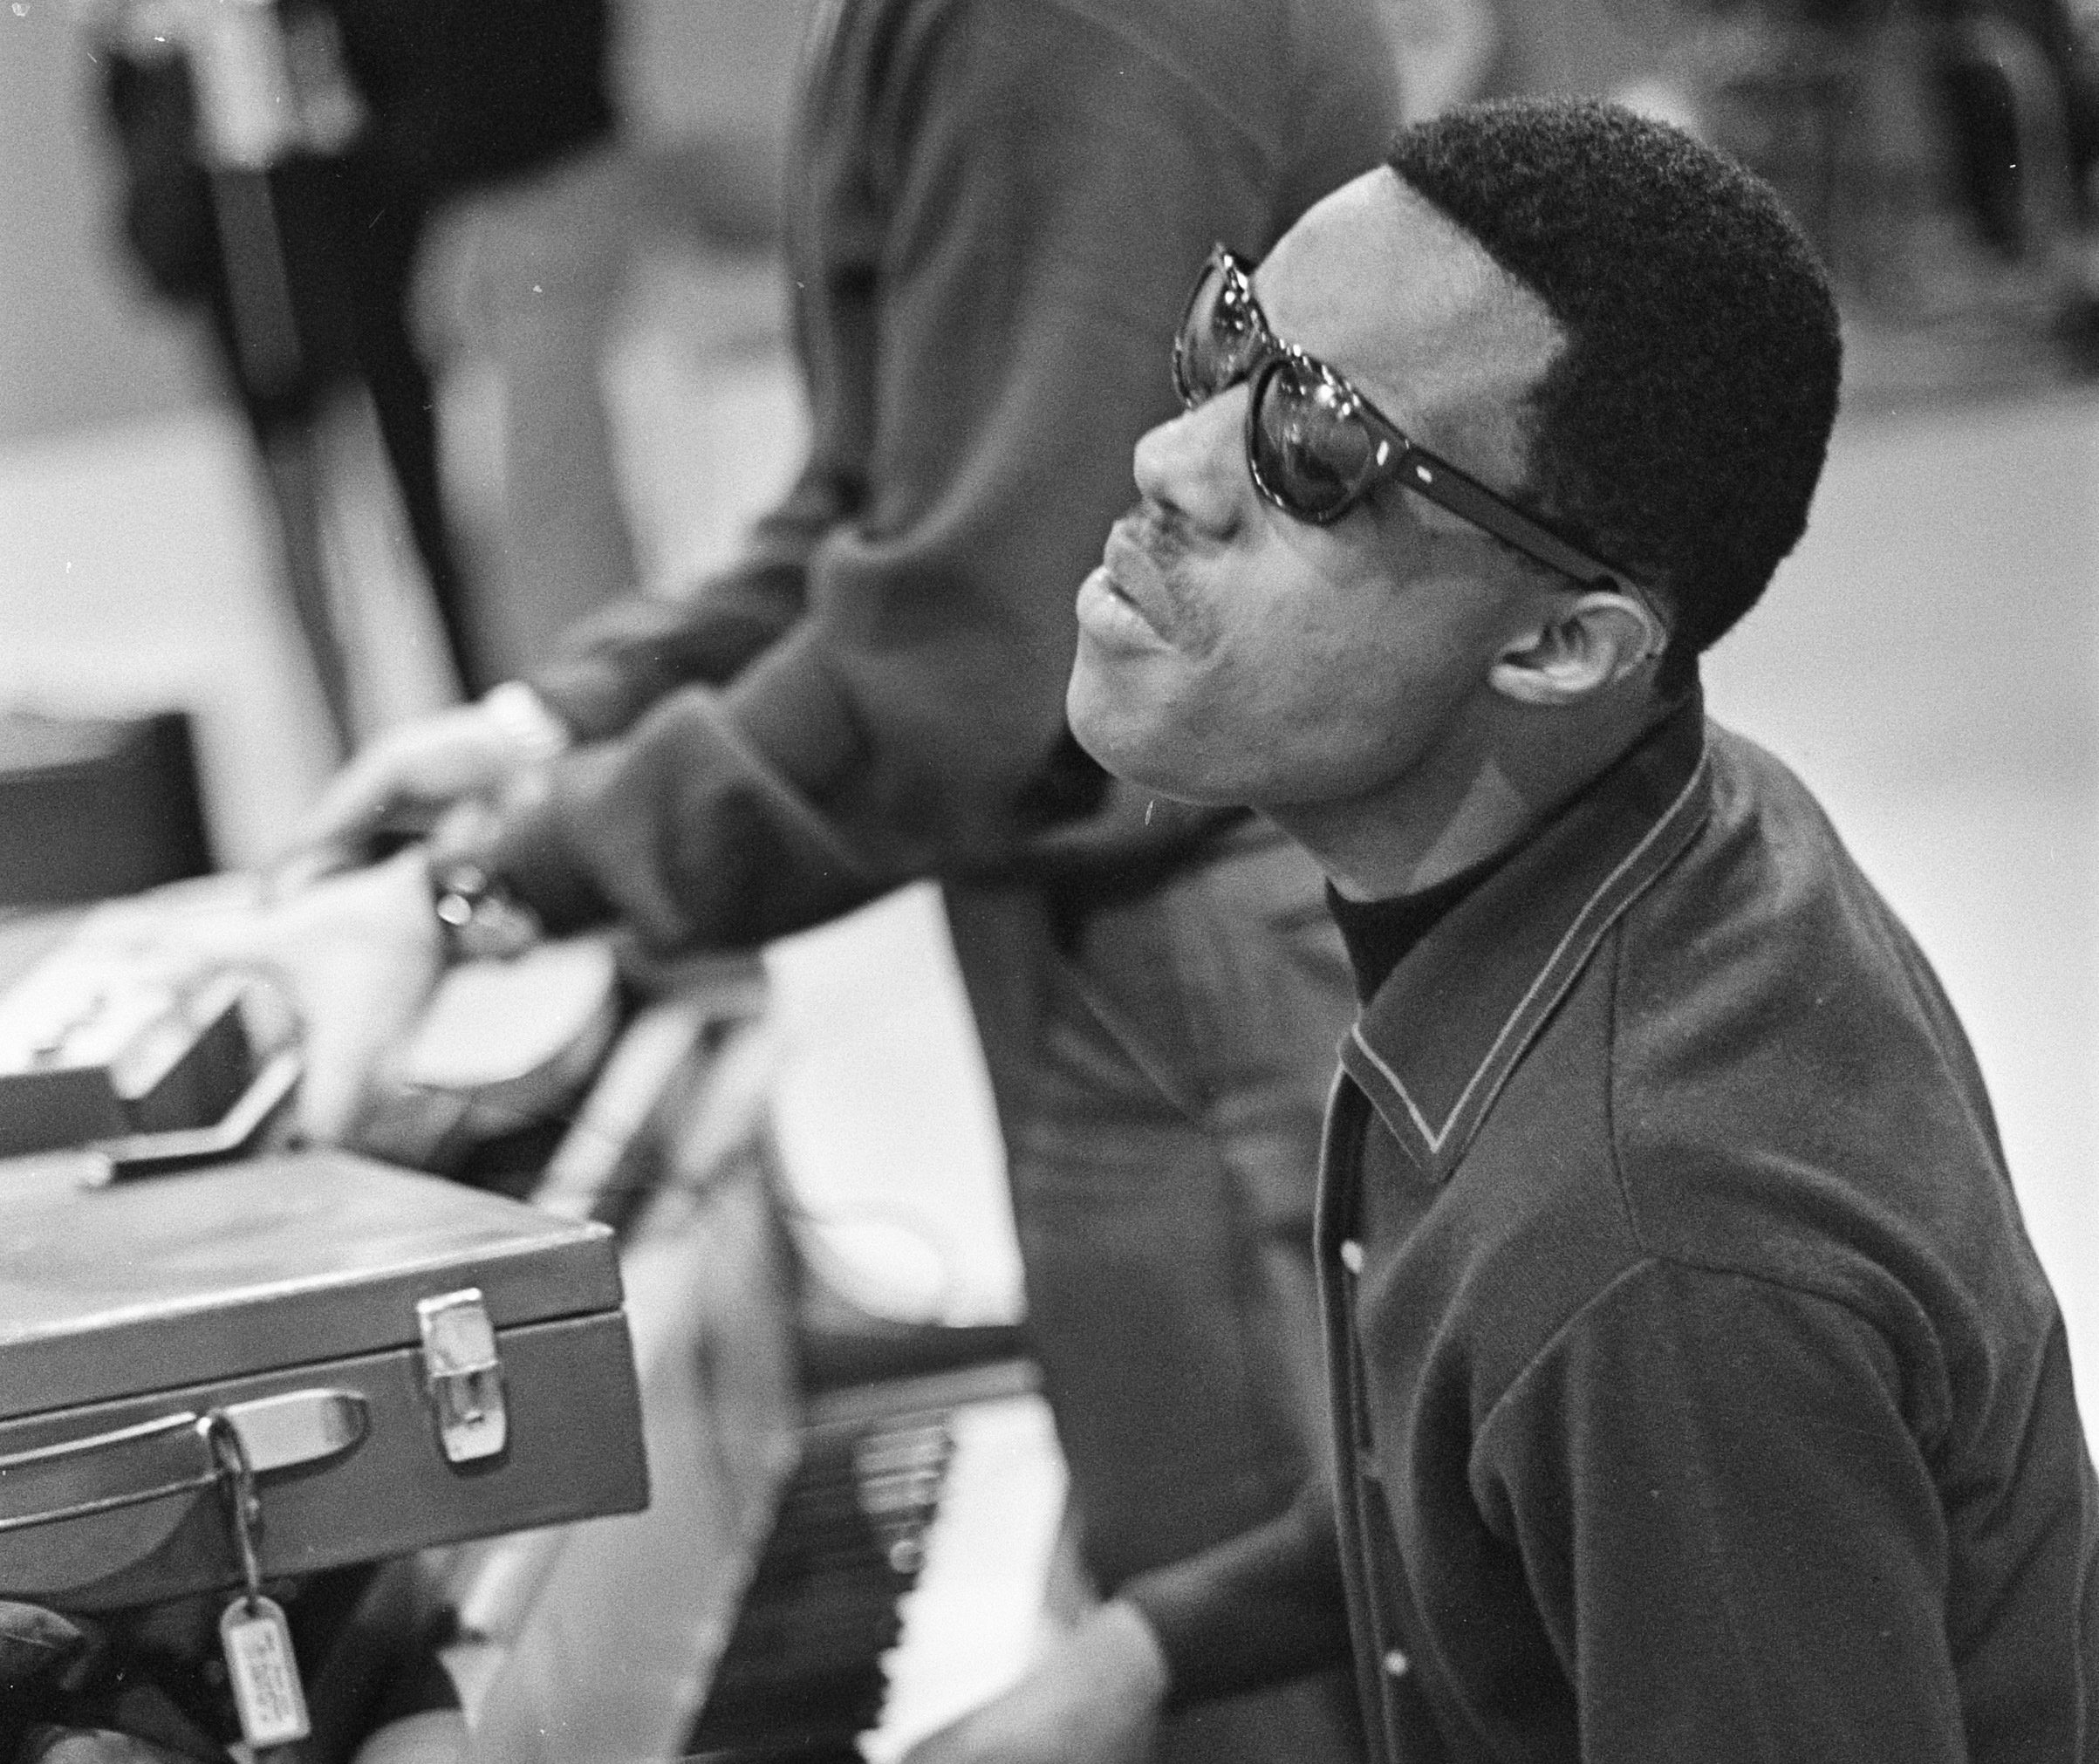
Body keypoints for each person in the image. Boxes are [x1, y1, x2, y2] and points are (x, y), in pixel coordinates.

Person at [892, 99, 2099, 1764]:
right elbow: (1473, 1490)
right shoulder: (1664, 830)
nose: (1167, 463)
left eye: (1312, 451)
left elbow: (1585, 1361)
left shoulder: (1642, 1244)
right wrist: (1142, 1652)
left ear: (1558, 648)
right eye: (1230, 340)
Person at [263, 1, 1404, 1757]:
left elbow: (968, 662)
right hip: (1132, 964)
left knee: (1278, 1713)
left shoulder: (1060, 34)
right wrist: (540, 731)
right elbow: (886, 511)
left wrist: (480, 889)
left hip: (1192, 983)